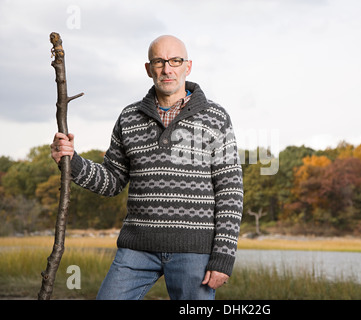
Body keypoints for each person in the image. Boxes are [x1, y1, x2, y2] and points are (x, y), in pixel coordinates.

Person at [51, 35, 243, 300]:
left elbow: (230, 191)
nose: (167, 69)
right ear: (148, 68)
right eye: (159, 62)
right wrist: (71, 162)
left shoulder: (216, 117)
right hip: (137, 247)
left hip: (194, 250)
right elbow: (112, 181)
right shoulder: (129, 118)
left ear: (188, 66)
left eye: (175, 61)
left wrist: (223, 256)